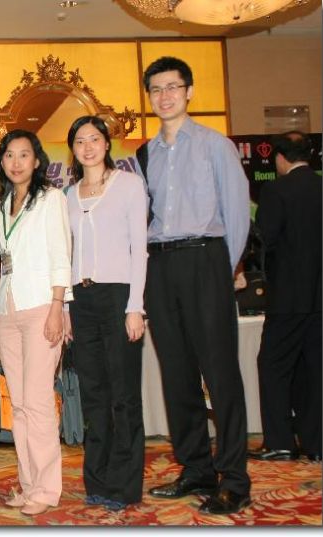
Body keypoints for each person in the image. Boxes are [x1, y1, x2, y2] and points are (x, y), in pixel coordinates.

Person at [135, 56, 252, 515]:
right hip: (160, 266)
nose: (164, 96)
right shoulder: (144, 154)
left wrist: (221, 270)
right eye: (156, 89)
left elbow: (238, 215)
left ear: (189, 92)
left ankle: (234, 478)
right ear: (149, 97)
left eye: (172, 87)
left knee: (220, 372)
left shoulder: (215, 145)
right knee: (177, 373)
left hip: (206, 261)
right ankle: (196, 468)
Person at [65, 115, 148, 511]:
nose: (88, 147)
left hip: (119, 298)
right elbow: (66, 255)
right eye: (80, 141)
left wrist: (136, 306)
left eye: (94, 139)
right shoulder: (68, 195)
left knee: (123, 395)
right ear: (73, 149)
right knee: (93, 395)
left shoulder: (129, 185)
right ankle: (96, 481)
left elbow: (140, 250)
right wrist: (66, 306)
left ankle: (124, 485)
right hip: (81, 302)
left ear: (106, 143)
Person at [0, 129, 73, 517]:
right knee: (19, 404)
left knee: (39, 401)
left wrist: (59, 305)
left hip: (42, 305)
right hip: (6, 310)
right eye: (9, 155)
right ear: (2, 162)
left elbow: (61, 255)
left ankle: (47, 488)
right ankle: (28, 484)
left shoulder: (51, 199)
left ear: (37, 161)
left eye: (24, 154)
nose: (16, 162)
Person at [248, 131, 322, 463]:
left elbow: (266, 238)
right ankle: (317, 443)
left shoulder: (276, 190)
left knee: (273, 365)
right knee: (316, 368)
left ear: (280, 158)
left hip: (289, 296)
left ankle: (279, 441)